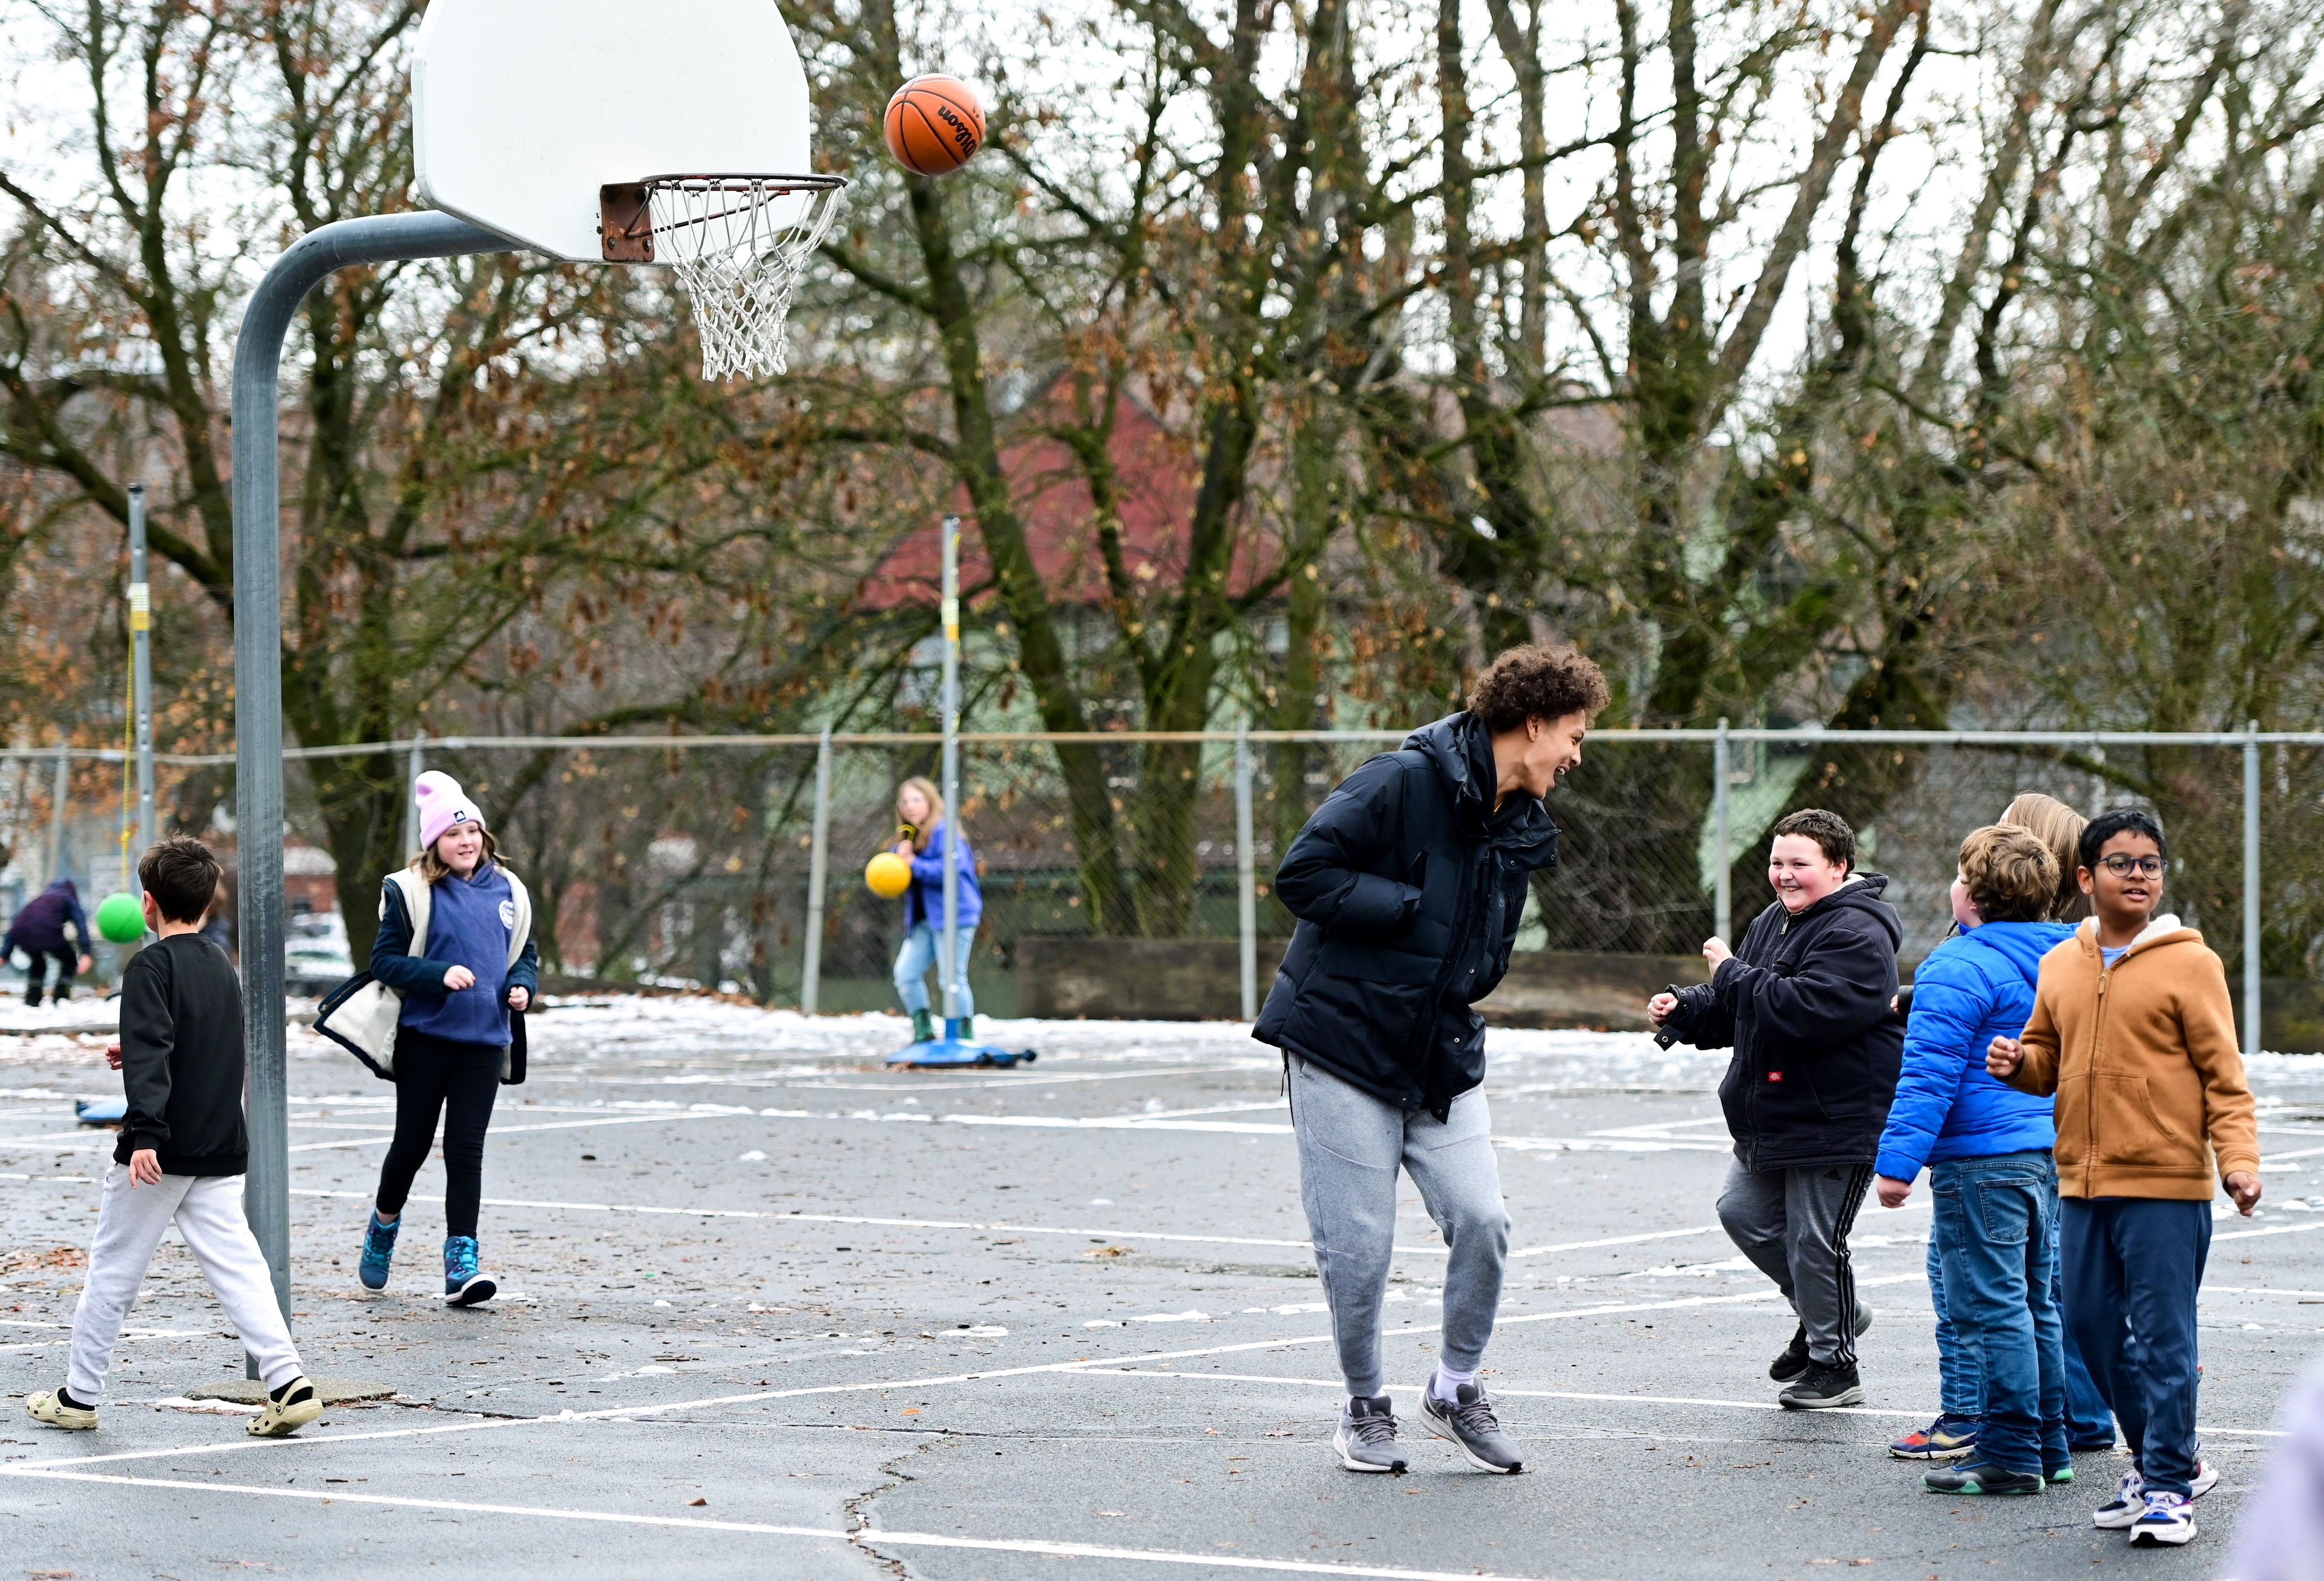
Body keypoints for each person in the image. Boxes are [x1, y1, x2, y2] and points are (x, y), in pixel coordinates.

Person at [1255, 641, 1607, 1477]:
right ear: (1532, 725)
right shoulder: (1399, 781)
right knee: (1360, 1244)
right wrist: (1407, 909)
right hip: (1341, 1043)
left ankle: (1454, 1388)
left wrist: (1470, 966)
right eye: (1575, 735)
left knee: (1483, 1220)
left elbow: (1485, 947)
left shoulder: (1524, 824)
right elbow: (1302, 873)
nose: (1577, 755)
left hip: (1437, 1050)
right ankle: (1362, 1405)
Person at [1989, 807, 2260, 1547]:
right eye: (2121, 863)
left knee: (2163, 1340)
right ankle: (2163, 1460)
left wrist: (2238, 1162)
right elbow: (2047, 1059)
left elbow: (2225, 1079)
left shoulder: (2191, 964)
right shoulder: (2060, 965)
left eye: (2149, 863)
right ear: (2085, 878)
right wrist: (2021, 1065)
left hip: (2167, 1185)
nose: (2138, 874)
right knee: (2091, 1324)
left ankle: (2169, 1484)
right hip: (2080, 1181)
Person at [24, 837, 323, 1438]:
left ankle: (78, 1396)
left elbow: (156, 1052)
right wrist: (131, 1048)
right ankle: (288, 1380)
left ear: (148, 903)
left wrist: (143, 1137)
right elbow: (194, 1043)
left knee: (112, 1273)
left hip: (161, 1153)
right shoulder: (220, 965)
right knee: (241, 1269)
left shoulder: (150, 966)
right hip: (218, 1144)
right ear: (209, 903)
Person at [1649, 808, 1902, 1410]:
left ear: (1839, 867)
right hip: (1775, 1113)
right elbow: (1741, 1008)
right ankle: (1835, 1312)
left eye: (1800, 865)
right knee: (1743, 1213)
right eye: (1777, 863)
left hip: (1836, 1116)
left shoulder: (1858, 934)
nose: (1784, 876)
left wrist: (1732, 972)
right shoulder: (1773, 920)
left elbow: (1802, 1011)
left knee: (1816, 1242)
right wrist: (1685, 1009)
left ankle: (1836, 1368)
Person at [1889, 792, 2113, 1465]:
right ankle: (2052, 1439)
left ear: (1976, 895)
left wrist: (1897, 1165)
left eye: (1961, 877)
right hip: (2048, 1150)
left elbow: (1926, 1078)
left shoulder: (1957, 964)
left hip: (1980, 1161)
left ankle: (2003, 1441)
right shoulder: (2073, 955)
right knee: (2041, 1298)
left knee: (1989, 1302)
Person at [355, 771, 538, 1306]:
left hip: (484, 1041)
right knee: (410, 1146)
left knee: (466, 1150)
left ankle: (462, 1262)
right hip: (425, 1039)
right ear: (434, 841)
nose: (467, 841)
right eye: (455, 834)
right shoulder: (409, 889)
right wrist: (438, 974)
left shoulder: (510, 889)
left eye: (474, 831)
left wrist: (523, 985)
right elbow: (383, 962)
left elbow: (524, 952)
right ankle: (383, 1226)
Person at [888, 775, 982, 1044]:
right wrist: (898, 858)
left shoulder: (944, 831)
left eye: (916, 800)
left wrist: (913, 864)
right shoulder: (909, 836)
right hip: (925, 920)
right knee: (906, 974)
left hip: (955, 916)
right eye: (905, 801)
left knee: (952, 978)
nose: (910, 807)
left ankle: (962, 1035)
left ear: (930, 802)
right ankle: (924, 1032)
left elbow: (950, 871)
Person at [4, 877, 92, 1006]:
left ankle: (33, 998)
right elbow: (81, 923)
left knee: (38, 963)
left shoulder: (39, 900)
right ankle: (61, 996)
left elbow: (17, 924)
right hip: (49, 932)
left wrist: (4, 953)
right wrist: (86, 952)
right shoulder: (67, 898)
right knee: (70, 960)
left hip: (23, 935)